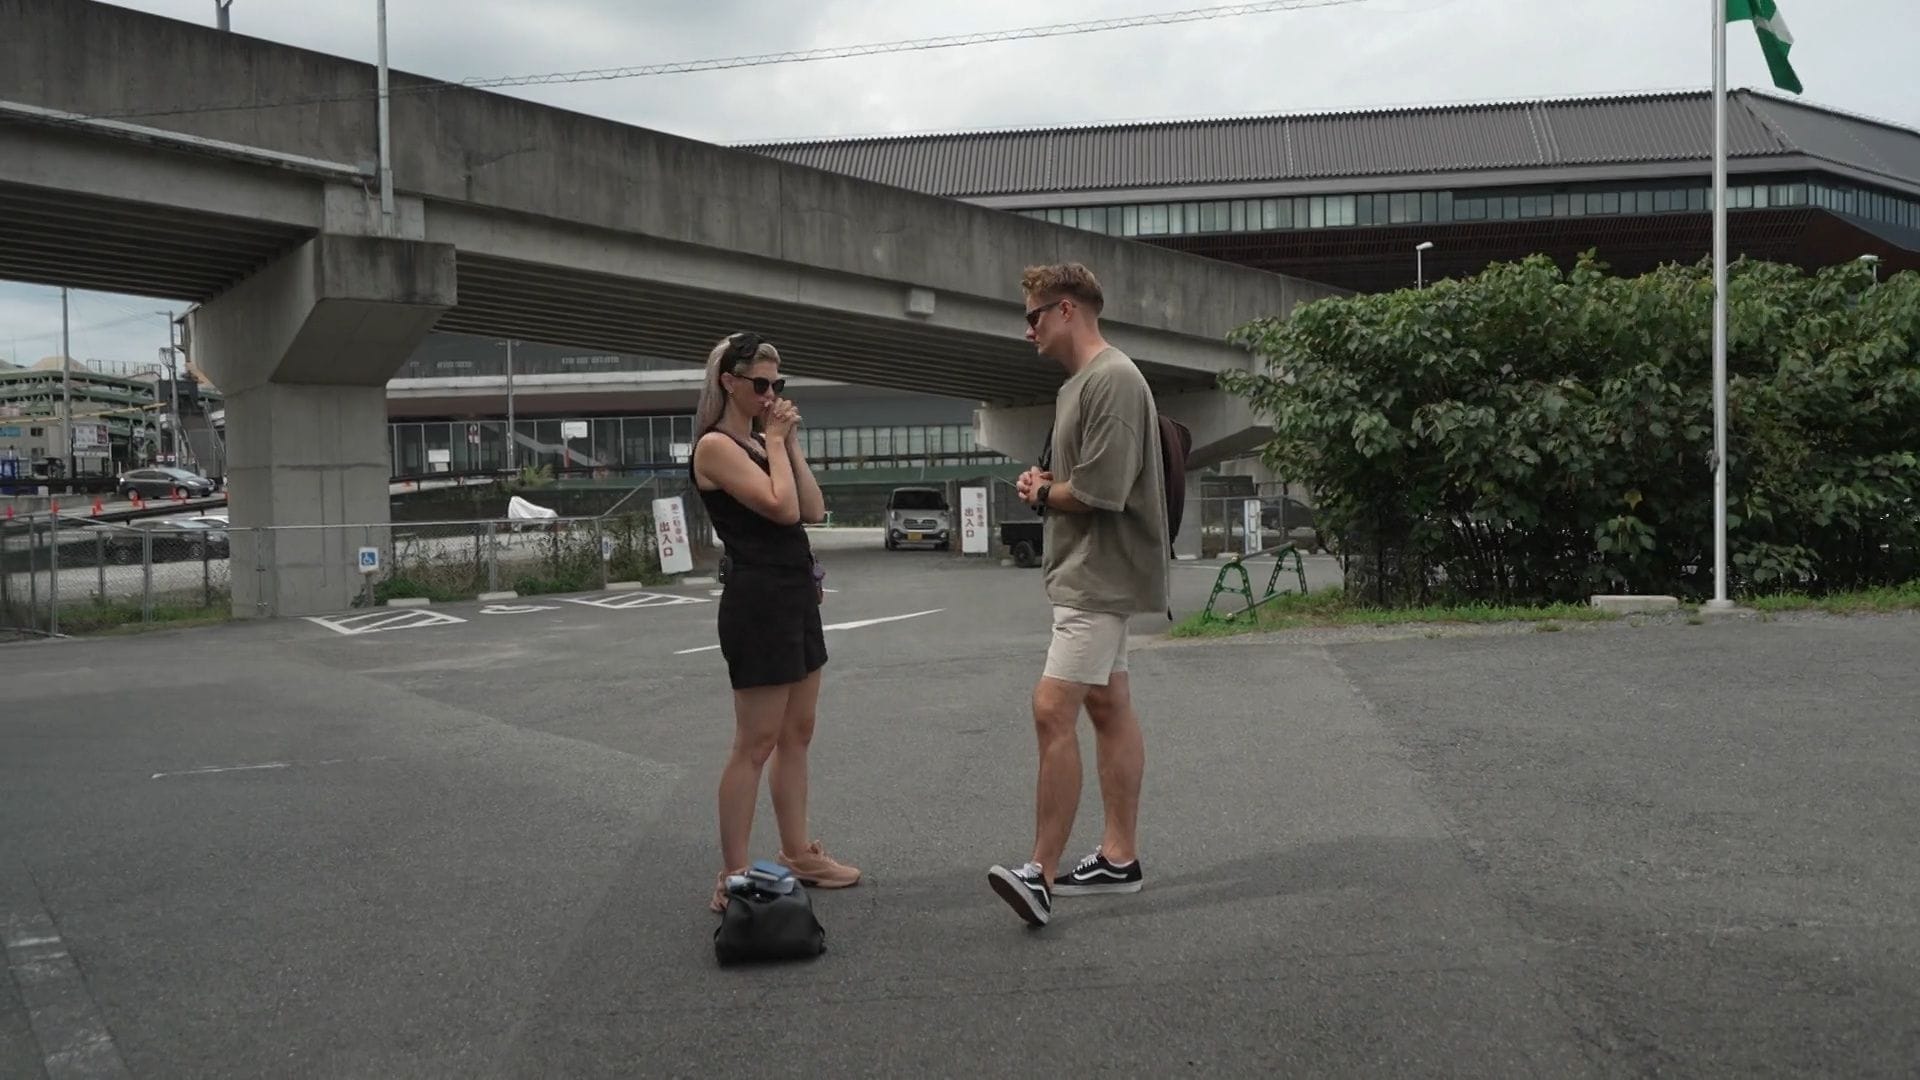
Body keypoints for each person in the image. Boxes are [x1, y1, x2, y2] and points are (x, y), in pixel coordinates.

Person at [988, 263, 1169, 928]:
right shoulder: (1079, 386)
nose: (1027, 327)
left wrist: (1043, 492)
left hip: (1101, 573)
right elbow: (1082, 479)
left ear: (1067, 310)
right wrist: (1048, 481)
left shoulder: (1112, 379)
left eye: (1034, 315)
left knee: (1050, 708)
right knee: (1107, 705)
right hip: (1088, 569)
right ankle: (1119, 858)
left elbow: (1102, 490)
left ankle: (1039, 872)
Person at [691, 331, 859, 913]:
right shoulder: (715, 447)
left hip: (795, 596)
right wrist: (777, 440)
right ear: (729, 382)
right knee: (755, 742)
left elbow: (812, 508)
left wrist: (786, 444)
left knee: (798, 733)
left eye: (777, 385)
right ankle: (732, 871)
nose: (770, 394)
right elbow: (780, 506)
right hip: (757, 599)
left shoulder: (766, 443)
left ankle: (798, 851)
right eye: (759, 384)